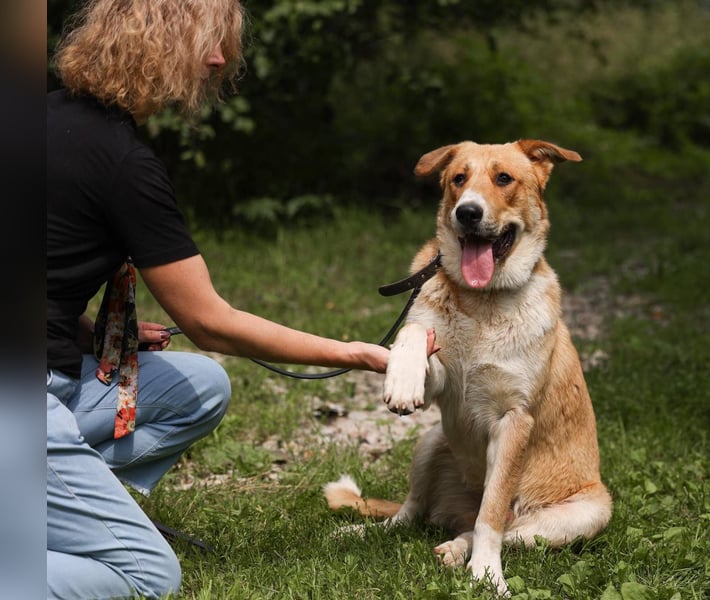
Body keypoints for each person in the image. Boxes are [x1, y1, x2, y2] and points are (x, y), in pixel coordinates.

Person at [46, 1, 436, 598]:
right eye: (207, 39)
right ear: (157, 41)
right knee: (147, 575)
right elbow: (212, 323)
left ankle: (59, 509)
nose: (220, 57)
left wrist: (86, 332)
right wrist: (354, 354)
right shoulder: (124, 165)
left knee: (200, 388)